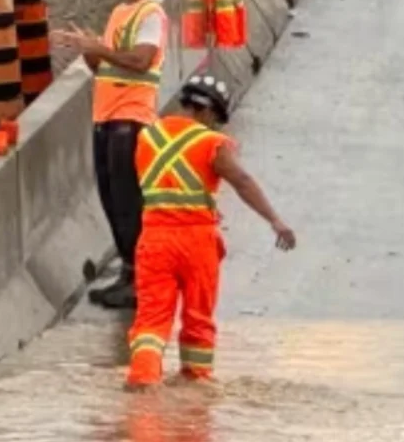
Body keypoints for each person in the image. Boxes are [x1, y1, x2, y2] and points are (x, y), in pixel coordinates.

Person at [123, 73, 295, 389]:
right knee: (198, 318)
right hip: (196, 242)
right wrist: (274, 219)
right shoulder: (210, 143)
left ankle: (142, 382)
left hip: (154, 239)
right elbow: (241, 181)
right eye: (215, 118)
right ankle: (194, 386)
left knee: (150, 321)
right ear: (208, 111)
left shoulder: (146, 137)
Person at [52, 0, 165, 310]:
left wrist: (99, 49)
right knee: (111, 199)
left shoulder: (151, 14)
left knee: (129, 200)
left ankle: (140, 277)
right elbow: (105, 65)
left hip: (131, 118)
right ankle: (129, 271)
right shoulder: (119, 14)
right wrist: (89, 53)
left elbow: (141, 60)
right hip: (106, 115)